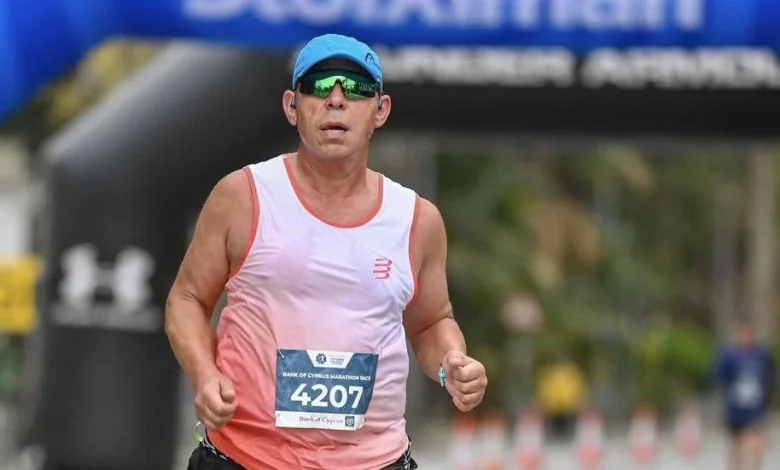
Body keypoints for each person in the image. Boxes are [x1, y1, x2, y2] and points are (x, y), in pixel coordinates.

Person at [164, 33, 488, 470]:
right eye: (318, 86)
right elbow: (186, 299)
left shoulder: (417, 219)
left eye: (355, 88)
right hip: (243, 458)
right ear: (292, 107)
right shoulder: (242, 195)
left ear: (381, 110)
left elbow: (431, 322)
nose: (336, 100)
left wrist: (452, 365)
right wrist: (204, 375)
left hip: (375, 462)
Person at [714, 317, 775, 470]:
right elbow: (719, 378)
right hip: (735, 408)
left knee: (755, 443)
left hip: (755, 408)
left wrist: (766, 401)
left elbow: (770, 377)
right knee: (736, 447)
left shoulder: (762, 354)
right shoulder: (728, 355)